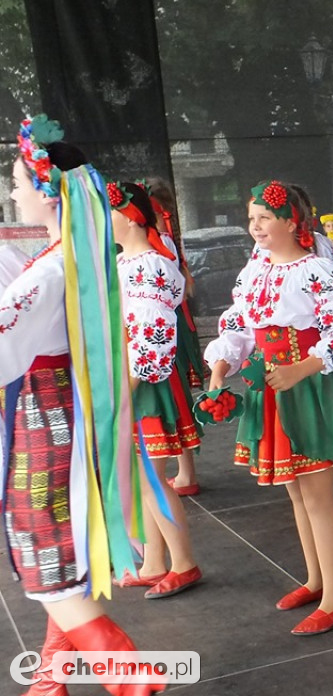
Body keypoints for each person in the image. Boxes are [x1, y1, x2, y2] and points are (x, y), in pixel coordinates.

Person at [1, 115, 162, 695]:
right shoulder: (78, 261)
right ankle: (50, 678)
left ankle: (133, 679)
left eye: (18, 181)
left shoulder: (47, 273)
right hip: (72, 417)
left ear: (48, 192)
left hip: (47, 426)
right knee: (61, 555)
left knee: (41, 550)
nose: (13, 191)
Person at [205, 180, 333, 635]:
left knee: (318, 495)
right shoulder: (255, 271)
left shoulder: (319, 270)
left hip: (309, 386)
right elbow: (239, 325)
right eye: (251, 217)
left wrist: (303, 368)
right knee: (296, 490)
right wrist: (221, 364)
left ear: (290, 221)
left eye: (263, 218)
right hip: (272, 385)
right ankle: (316, 580)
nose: (253, 226)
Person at [107, 181, 203, 598]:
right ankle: (154, 560)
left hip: (144, 380)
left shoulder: (147, 264)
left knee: (151, 477)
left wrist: (124, 388)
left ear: (129, 217)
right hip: (134, 375)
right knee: (143, 475)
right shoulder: (130, 260)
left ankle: (183, 562)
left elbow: (152, 334)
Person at [144, 178, 206, 497]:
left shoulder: (158, 244)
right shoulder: (164, 240)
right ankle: (185, 472)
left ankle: (185, 472)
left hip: (166, 327)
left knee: (176, 392)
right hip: (171, 323)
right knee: (176, 391)